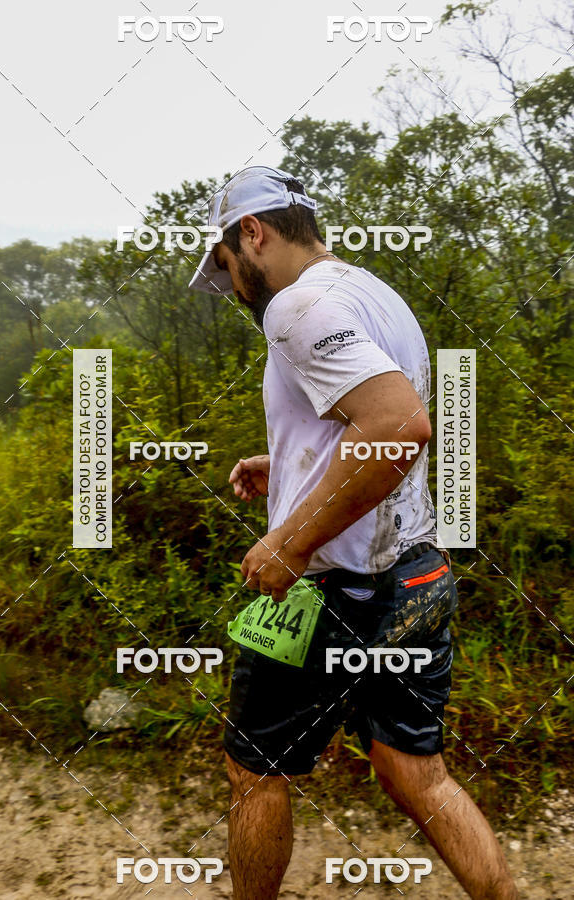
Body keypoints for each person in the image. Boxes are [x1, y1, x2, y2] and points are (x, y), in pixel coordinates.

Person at [188, 166, 518, 899]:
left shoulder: (296, 306)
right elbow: (370, 422)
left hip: (331, 590)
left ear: (253, 232)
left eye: (226, 266)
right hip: (417, 573)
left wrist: (292, 540)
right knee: (417, 772)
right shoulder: (372, 292)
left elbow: (397, 426)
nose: (235, 288)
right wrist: (291, 464)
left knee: (255, 771)